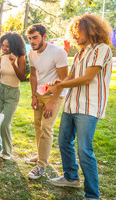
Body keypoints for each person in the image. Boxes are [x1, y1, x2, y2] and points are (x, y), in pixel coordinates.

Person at [48, 14, 113, 200]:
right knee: (64, 142)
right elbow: (72, 76)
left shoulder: (102, 49)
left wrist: (60, 86)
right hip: (71, 104)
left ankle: (92, 194)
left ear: (91, 29)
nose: (74, 36)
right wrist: (60, 82)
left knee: (84, 149)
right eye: (73, 33)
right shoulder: (80, 53)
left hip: (89, 106)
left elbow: (86, 78)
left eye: (78, 31)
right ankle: (71, 177)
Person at [25, 23, 68, 179]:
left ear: (44, 36)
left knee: (46, 128)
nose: (32, 41)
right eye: (29, 38)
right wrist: (33, 95)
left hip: (55, 94)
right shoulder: (32, 53)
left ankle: (41, 166)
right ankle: (40, 155)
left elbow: (64, 79)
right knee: (38, 126)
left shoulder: (58, 52)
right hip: (39, 94)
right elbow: (34, 75)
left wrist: (52, 101)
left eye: (35, 37)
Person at [0, 32, 26, 160]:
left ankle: (7, 151)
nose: (4, 48)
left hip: (13, 93)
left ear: (15, 45)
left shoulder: (20, 58)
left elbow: (22, 78)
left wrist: (13, 63)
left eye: (7, 46)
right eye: (3, 45)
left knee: (5, 123)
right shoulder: (0, 59)